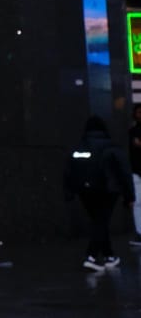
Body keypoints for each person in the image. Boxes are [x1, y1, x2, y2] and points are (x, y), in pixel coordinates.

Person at [64, 115, 132, 271]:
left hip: (85, 191)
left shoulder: (80, 147)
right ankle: (92, 255)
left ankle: (109, 255)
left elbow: (69, 171)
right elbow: (124, 171)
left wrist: (69, 192)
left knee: (99, 222)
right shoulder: (111, 147)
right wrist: (129, 196)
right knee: (101, 222)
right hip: (108, 190)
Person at [128, 105, 141, 245]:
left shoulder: (133, 131)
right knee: (138, 204)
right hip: (136, 171)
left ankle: (139, 233)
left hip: (136, 171)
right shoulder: (133, 131)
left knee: (138, 204)